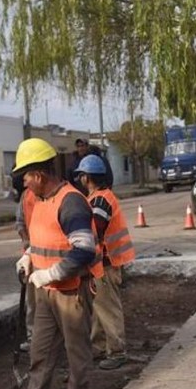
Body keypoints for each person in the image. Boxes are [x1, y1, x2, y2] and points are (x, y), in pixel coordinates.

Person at [3, 138, 102, 389]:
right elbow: (45, 239)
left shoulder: (70, 201)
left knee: (77, 351)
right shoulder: (41, 201)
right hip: (47, 292)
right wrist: (29, 256)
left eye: (26, 177)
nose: (24, 184)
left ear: (39, 175)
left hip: (71, 291)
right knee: (41, 349)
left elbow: (84, 250)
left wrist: (49, 274)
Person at [73, 154, 136, 370]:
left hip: (106, 264)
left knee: (108, 308)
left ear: (87, 177)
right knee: (100, 309)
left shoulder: (100, 200)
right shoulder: (99, 198)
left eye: (81, 175)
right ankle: (98, 347)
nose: (79, 179)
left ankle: (117, 351)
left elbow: (95, 230)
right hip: (102, 265)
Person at [13, 173, 38, 352]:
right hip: (31, 256)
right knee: (32, 302)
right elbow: (20, 222)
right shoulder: (26, 196)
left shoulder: (50, 195)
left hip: (49, 257)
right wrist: (25, 239)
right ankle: (33, 338)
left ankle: (55, 339)